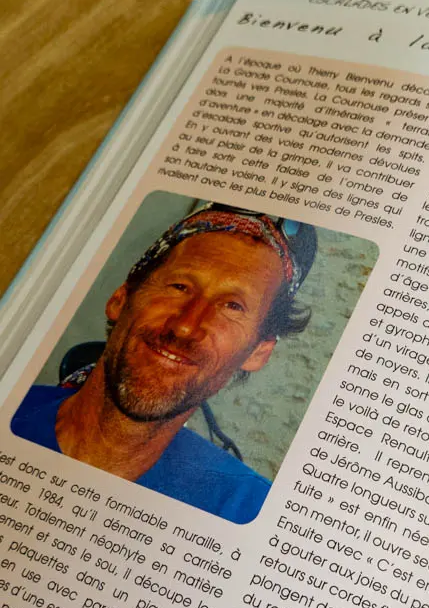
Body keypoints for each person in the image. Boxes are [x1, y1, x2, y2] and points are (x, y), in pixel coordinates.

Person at [11, 205, 317, 523]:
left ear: (258, 352)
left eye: (232, 306)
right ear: (121, 298)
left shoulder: (250, 511)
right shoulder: (11, 408)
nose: (186, 326)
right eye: (179, 287)